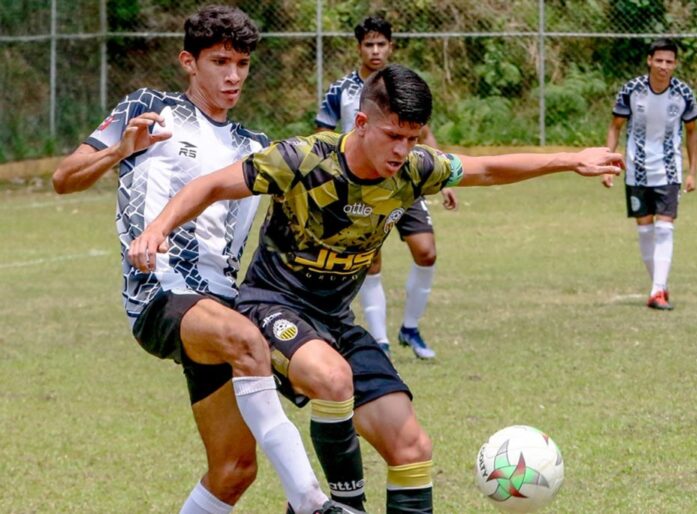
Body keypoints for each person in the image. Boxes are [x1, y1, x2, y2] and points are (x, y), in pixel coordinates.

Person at [128, 63, 622, 513]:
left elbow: (486, 168)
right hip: (272, 305)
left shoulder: (414, 169)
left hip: (336, 321)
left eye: (411, 139)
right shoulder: (302, 159)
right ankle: (345, 508)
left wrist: (568, 158)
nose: (401, 152)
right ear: (361, 124)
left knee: (411, 446)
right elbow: (211, 185)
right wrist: (158, 228)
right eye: (392, 136)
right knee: (333, 379)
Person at [51, 6, 357, 514]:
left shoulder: (255, 146)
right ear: (188, 62)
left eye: (242, 63)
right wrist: (119, 151)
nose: (233, 75)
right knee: (246, 339)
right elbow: (66, 178)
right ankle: (311, 504)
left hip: (224, 303)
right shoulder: (147, 109)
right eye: (220, 62)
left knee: (234, 470)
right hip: (160, 294)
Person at [316, 15, 458, 360]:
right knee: (371, 261)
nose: (376, 50)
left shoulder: (401, 86)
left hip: (404, 182)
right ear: (359, 48)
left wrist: (442, 179)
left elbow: (422, 134)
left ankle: (410, 328)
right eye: (369, 44)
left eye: (381, 44)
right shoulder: (341, 90)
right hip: (360, 188)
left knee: (427, 251)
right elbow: (321, 136)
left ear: (391, 46)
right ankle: (380, 340)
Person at [602, 38, 697, 310]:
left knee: (665, 227)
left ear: (675, 64)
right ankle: (660, 285)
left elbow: (692, 133)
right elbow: (615, 127)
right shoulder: (632, 90)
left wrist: (692, 172)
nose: (664, 66)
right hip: (637, 170)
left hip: (669, 171)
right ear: (649, 60)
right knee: (645, 229)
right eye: (659, 60)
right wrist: (608, 164)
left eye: (669, 62)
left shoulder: (683, 94)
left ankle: (657, 290)